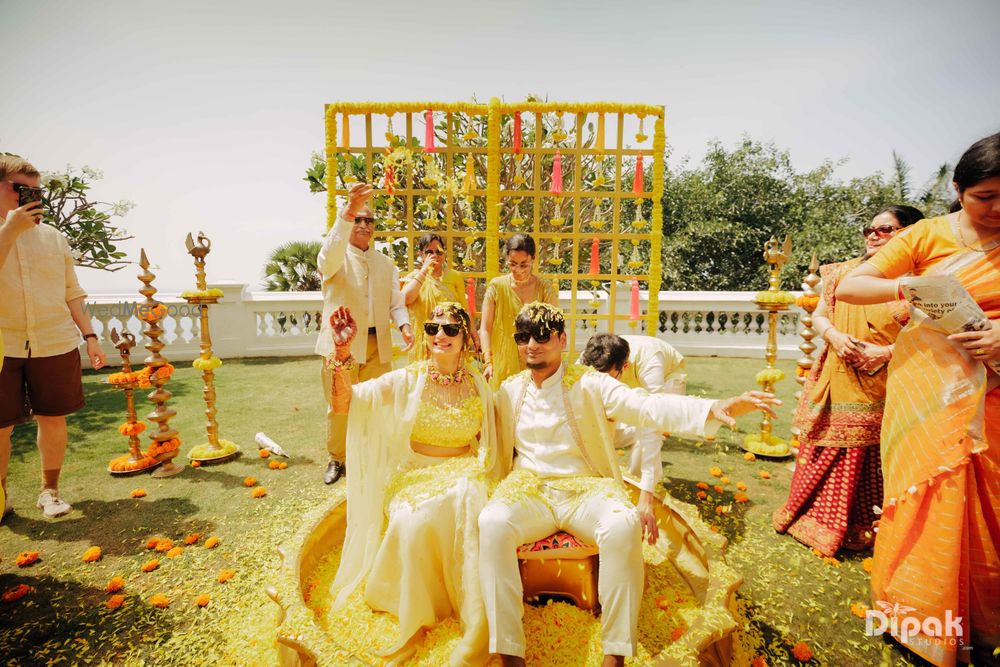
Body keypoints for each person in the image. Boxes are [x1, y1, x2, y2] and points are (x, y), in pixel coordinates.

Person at [478, 302, 780, 667]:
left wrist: (713, 408)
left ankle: (616, 651)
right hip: (530, 492)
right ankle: (510, 652)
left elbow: (647, 407)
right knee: (492, 522)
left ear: (562, 339)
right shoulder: (510, 390)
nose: (532, 345)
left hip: (587, 489)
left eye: (542, 336)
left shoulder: (590, 383)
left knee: (622, 524)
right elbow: (480, 427)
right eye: (523, 336)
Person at [836, 133, 1000, 666]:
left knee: (988, 505)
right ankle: (916, 617)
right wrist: (917, 287)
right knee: (922, 493)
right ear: (958, 189)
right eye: (985, 197)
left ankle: (982, 622)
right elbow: (852, 287)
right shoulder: (927, 235)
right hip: (926, 388)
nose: (997, 209)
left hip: (994, 395)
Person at [328, 301, 496, 666]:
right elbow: (346, 403)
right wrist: (341, 355)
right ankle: (417, 610)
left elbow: (489, 441)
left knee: (472, 504)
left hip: (465, 472)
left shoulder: (478, 384)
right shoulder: (408, 380)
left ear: (465, 337)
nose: (440, 335)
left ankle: (474, 614)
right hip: (415, 473)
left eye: (450, 329)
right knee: (412, 521)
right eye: (433, 328)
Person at [772, 205, 923, 557]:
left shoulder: (919, 280)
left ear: (910, 234)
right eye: (869, 230)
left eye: (884, 229)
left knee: (873, 453)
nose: (873, 235)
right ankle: (809, 517)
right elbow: (821, 315)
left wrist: (885, 353)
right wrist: (835, 337)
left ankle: (864, 526)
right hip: (838, 369)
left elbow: (929, 332)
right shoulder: (845, 273)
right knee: (825, 442)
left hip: (891, 378)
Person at [0, 155, 106, 522]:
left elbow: (72, 291)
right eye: (20, 188)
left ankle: (50, 491)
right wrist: (9, 231)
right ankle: (1, 497)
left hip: (54, 339)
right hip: (3, 344)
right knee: (1, 427)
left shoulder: (53, 238)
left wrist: (90, 335)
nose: (29, 196)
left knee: (53, 417)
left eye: (36, 191)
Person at [316, 182, 413, 485]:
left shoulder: (385, 263)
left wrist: (405, 326)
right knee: (340, 405)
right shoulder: (335, 258)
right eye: (358, 219)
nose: (363, 224)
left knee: (377, 402)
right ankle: (338, 458)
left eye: (368, 220)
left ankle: (372, 454)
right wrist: (349, 209)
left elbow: (396, 303)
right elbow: (329, 254)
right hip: (340, 346)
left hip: (377, 343)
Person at [578, 333, 688, 545]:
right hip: (626, 376)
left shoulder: (651, 364)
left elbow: (652, 422)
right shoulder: (587, 359)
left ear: (625, 367)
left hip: (668, 378)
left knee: (645, 432)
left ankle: (641, 489)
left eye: (608, 379)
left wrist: (646, 496)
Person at [479, 233, 558, 390]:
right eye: (513, 264)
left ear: (533, 259)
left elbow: (554, 328)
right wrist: (488, 361)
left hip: (536, 360)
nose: (518, 270)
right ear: (507, 259)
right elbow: (485, 329)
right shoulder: (497, 287)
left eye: (524, 265)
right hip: (502, 363)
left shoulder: (544, 287)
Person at [401, 233, 467, 363]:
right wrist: (424, 270)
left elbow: (464, 310)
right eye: (429, 252)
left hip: (449, 338)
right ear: (421, 254)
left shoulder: (454, 276)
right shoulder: (414, 277)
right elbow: (405, 299)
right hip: (422, 341)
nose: (435, 255)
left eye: (439, 252)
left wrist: (473, 334)